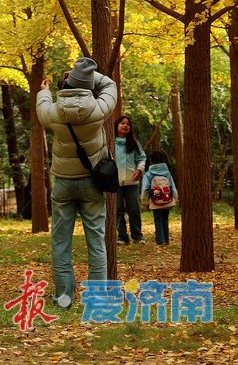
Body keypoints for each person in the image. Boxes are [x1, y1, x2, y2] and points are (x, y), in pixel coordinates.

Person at [36, 56, 117, 309]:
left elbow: (42, 107)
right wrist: (90, 74)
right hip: (92, 183)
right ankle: (97, 297)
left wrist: (45, 91)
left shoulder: (54, 111)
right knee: (96, 241)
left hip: (63, 183)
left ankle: (64, 296)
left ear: (67, 83)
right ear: (90, 84)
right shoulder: (99, 109)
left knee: (61, 241)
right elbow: (111, 85)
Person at [115, 115, 146, 244]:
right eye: (122, 123)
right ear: (116, 126)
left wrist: (139, 170)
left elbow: (142, 158)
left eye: (128, 124)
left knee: (134, 209)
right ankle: (122, 237)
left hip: (131, 182)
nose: (125, 125)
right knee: (118, 210)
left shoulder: (134, 143)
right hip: (114, 182)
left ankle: (137, 236)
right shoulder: (110, 142)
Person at [140, 150, 177, 245]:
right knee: (165, 219)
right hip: (167, 200)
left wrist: (144, 201)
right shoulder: (167, 173)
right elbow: (172, 186)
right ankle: (166, 240)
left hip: (155, 201)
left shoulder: (148, 174)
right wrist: (175, 198)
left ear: (151, 160)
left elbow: (145, 188)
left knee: (158, 219)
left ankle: (160, 241)